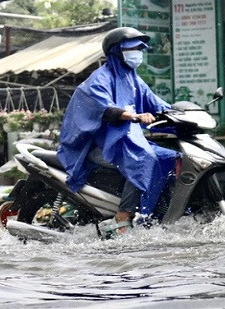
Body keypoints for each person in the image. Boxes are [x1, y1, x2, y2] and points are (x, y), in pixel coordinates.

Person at [56, 27, 180, 237]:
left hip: (124, 141)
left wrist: (184, 111)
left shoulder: (132, 79)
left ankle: (158, 214)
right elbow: (105, 109)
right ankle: (122, 217)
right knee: (143, 159)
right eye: (133, 48)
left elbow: (156, 103)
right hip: (95, 146)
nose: (138, 52)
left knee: (171, 157)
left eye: (140, 48)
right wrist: (134, 116)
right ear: (116, 51)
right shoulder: (99, 79)